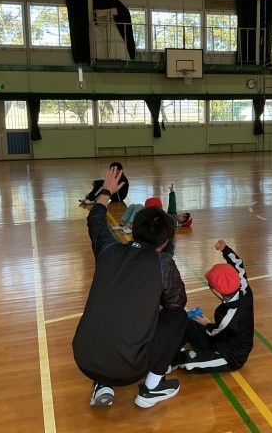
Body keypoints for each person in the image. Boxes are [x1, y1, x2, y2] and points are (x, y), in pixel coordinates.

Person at [72, 166, 187, 409]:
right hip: (130, 370)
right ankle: (152, 387)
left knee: (109, 309)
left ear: (133, 230)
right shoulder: (163, 263)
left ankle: (102, 384)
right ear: (165, 242)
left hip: (84, 359)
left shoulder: (108, 248)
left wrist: (106, 191)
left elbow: (95, 220)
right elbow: (176, 305)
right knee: (177, 318)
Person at [173, 240, 254, 373]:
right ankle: (173, 350)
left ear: (216, 292)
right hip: (220, 338)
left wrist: (206, 324)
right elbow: (238, 264)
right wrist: (225, 249)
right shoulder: (244, 288)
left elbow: (215, 332)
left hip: (230, 356)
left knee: (189, 360)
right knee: (186, 323)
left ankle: (169, 361)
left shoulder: (230, 316)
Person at [113, 184, 192, 234]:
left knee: (139, 206)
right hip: (154, 214)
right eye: (183, 215)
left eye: (183, 218)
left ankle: (131, 226)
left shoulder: (173, 223)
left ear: (181, 223)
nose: (181, 216)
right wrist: (172, 192)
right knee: (133, 206)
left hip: (152, 219)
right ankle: (122, 224)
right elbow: (172, 204)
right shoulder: (173, 214)